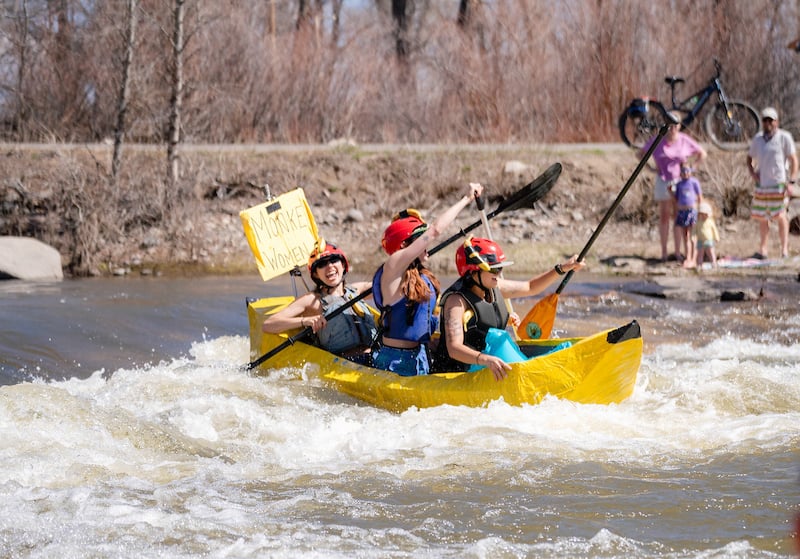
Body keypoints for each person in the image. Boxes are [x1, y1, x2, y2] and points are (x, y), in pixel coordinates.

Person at [432, 236, 585, 380]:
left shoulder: (494, 286)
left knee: (562, 351)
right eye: (494, 270)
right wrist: (484, 359)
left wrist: (564, 268)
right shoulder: (456, 302)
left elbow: (530, 287)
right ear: (473, 271)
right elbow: (454, 348)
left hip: (490, 362)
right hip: (459, 373)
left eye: (500, 269)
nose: (499, 274)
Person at [371, 183, 482, 376]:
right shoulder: (393, 265)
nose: (427, 244)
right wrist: (466, 199)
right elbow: (435, 230)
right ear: (404, 245)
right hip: (395, 360)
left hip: (420, 354)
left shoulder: (420, 275)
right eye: (420, 239)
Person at [262, 241, 377, 365]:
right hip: (345, 364)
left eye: (334, 260)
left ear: (343, 265)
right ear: (316, 273)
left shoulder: (357, 290)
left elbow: (388, 285)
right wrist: (305, 320)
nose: (329, 266)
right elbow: (268, 324)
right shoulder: (312, 301)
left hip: (376, 357)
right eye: (322, 264)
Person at [640, 113, 707, 262]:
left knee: (680, 217)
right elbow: (640, 154)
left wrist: (691, 169)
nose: (673, 128)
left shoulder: (684, 140)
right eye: (670, 125)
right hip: (663, 180)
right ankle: (664, 252)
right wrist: (652, 169)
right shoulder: (658, 140)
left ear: (679, 126)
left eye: (676, 125)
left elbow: (702, 153)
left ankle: (680, 252)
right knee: (664, 215)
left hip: (680, 183)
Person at [746, 107, 798, 259]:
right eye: (765, 120)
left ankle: (784, 250)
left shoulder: (784, 137)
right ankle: (763, 250)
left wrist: (792, 180)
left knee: (781, 216)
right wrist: (752, 173)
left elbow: (793, 159)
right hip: (763, 184)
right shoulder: (758, 139)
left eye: (771, 120)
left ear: (776, 121)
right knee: (763, 217)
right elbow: (749, 158)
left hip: (779, 183)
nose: (768, 123)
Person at [673, 165, 703, 268]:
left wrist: (700, 210)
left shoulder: (694, 182)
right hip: (682, 211)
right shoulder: (679, 184)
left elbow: (700, 197)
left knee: (693, 235)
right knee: (685, 236)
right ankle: (688, 257)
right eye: (683, 171)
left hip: (692, 210)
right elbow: (676, 198)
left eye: (687, 171)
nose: (685, 173)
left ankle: (694, 258)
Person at [695, 201, 720, 270]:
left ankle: (714, 263)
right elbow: (694, 230)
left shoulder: (710, 222)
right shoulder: (698, 223)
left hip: (709, 240)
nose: (703, 216)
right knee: (700, 253)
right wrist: (692, 236)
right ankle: (699, 265)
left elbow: (714, 230)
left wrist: (716, 237)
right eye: (701, 214)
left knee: (711, 252)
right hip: (700, 240)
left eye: (704, 214)